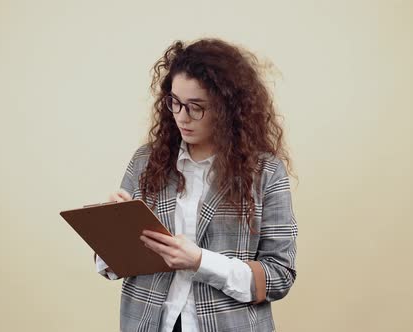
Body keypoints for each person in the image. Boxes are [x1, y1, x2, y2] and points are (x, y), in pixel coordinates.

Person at [95, 38, 298, 332]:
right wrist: (113, 233)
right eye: (175, 103)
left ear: (228, 108)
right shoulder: (146, 161)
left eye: (196, 107)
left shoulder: (265, 173)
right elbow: (112, 267)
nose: (181, 116)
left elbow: (280, 276)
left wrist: (200, 261)